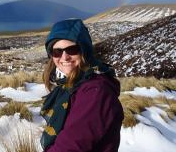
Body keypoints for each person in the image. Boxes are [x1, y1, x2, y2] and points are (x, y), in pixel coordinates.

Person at [40, 18, 123, 152]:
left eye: (72, 50)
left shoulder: (95, 92)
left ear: (85, 51)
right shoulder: (71, 87)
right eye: (57, 52)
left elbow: (70, 147)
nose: (64, 57)